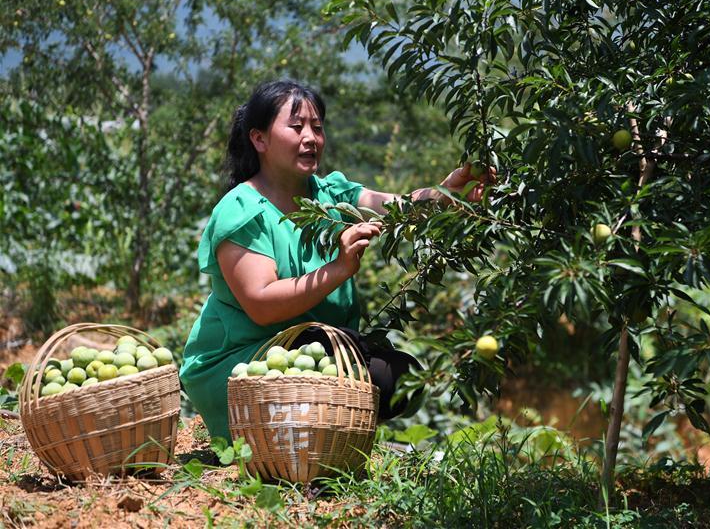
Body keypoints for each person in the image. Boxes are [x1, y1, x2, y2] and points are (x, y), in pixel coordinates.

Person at [179, 79, 496, 440]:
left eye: (317, 127)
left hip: (316, 350)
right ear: (259, 139)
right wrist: (338, 269)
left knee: (401, 378)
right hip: (243, 363)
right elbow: (262, 305)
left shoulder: (329, 194)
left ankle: (316, 438)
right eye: (296, 127)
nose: (311, 137)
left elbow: (396, 206)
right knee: (341, 364)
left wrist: (444, 194)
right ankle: (280, 440)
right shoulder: (242, 210)